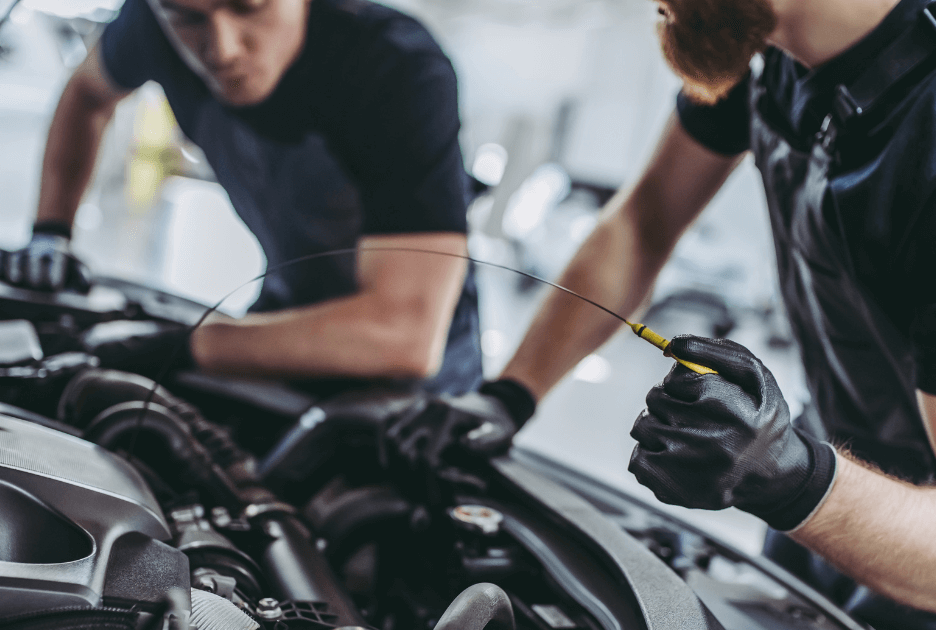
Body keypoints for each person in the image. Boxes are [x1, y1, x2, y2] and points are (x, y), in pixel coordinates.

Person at [388, 0, 936, 622]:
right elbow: (644, 221)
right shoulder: (764, 54)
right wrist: (510, 393)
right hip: (827, 481)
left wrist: (791, 474)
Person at [0, 0, 482, 395]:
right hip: (283, 316)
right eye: (188, 18)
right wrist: (51, 232)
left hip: (414, 379)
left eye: (249, 7)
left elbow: (404, 335)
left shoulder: (396, 69)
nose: (222, 49)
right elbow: (87, 92)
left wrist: (184, 347)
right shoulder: (155, 20)